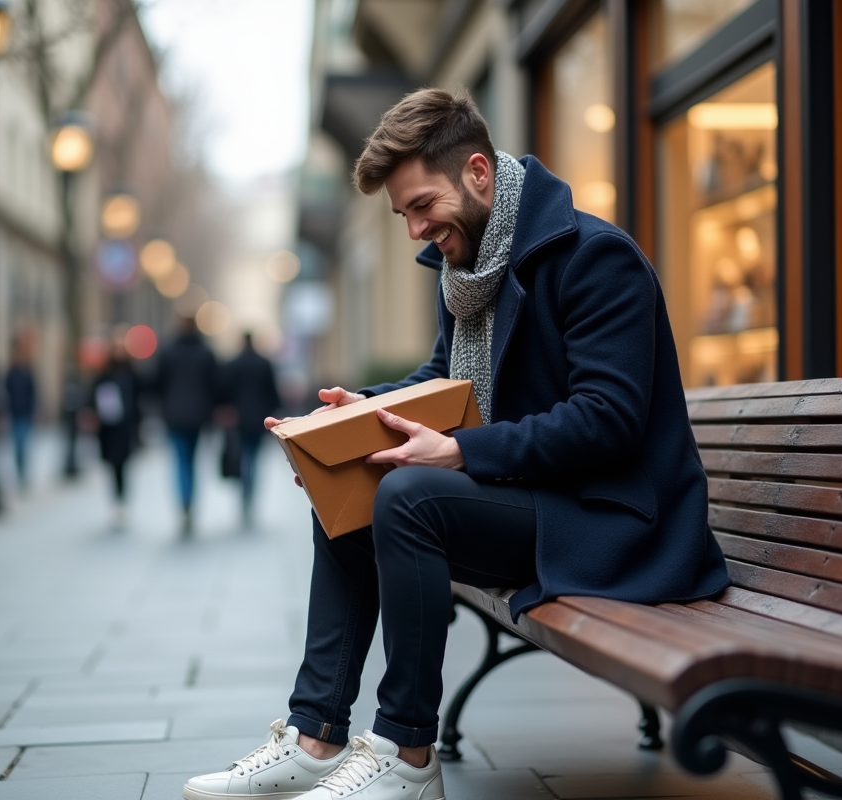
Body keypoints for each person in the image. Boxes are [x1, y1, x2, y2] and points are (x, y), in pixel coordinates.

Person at [182, 88, 729, 800]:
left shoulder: (596, 260)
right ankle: (315, 735)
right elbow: (444, 380)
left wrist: (464, 452)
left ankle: (408, 755)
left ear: (477, 173)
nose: (413, 229)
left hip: (618, 520)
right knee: (349, 481)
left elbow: (608, 419)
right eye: (402, 213)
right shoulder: (471, 271)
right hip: (541, 498)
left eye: (420, 206)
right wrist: (356, 420)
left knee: (407, 496)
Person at [153, 316, 218, 535]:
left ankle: (184, 505)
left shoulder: (168, 352)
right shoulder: (205, 353)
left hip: (174, 416)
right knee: (192, 461)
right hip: (198, 417)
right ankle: (190, 503)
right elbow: (215, 385)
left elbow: (157, 383)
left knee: (180, 461)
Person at [220, 331, 281, 526]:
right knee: (254, 458)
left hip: (239, 419)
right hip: (259, 419)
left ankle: (245, 494)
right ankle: (250, 495)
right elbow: (272, 392)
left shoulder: (233, 363)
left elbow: (225, 391)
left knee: (244, 455)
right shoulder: (264, 363)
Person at [89, 339, 141, 530]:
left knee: (123, 465)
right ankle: (116, 500)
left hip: (125, 427)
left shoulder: (131, 373)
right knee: (112, 465)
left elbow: (139, 397)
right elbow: (93, 395)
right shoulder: (104, 374)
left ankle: (122, 500)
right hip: (108, 427)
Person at [3, 337, 37, 489]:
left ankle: (22, 473)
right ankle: (19, 472)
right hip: (14, 413)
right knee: (17, 444)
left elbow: (34, 393)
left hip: (25, 414)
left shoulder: (28, 372)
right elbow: (5, 391)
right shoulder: (11, 372)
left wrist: (34, 410)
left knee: (22, 443)